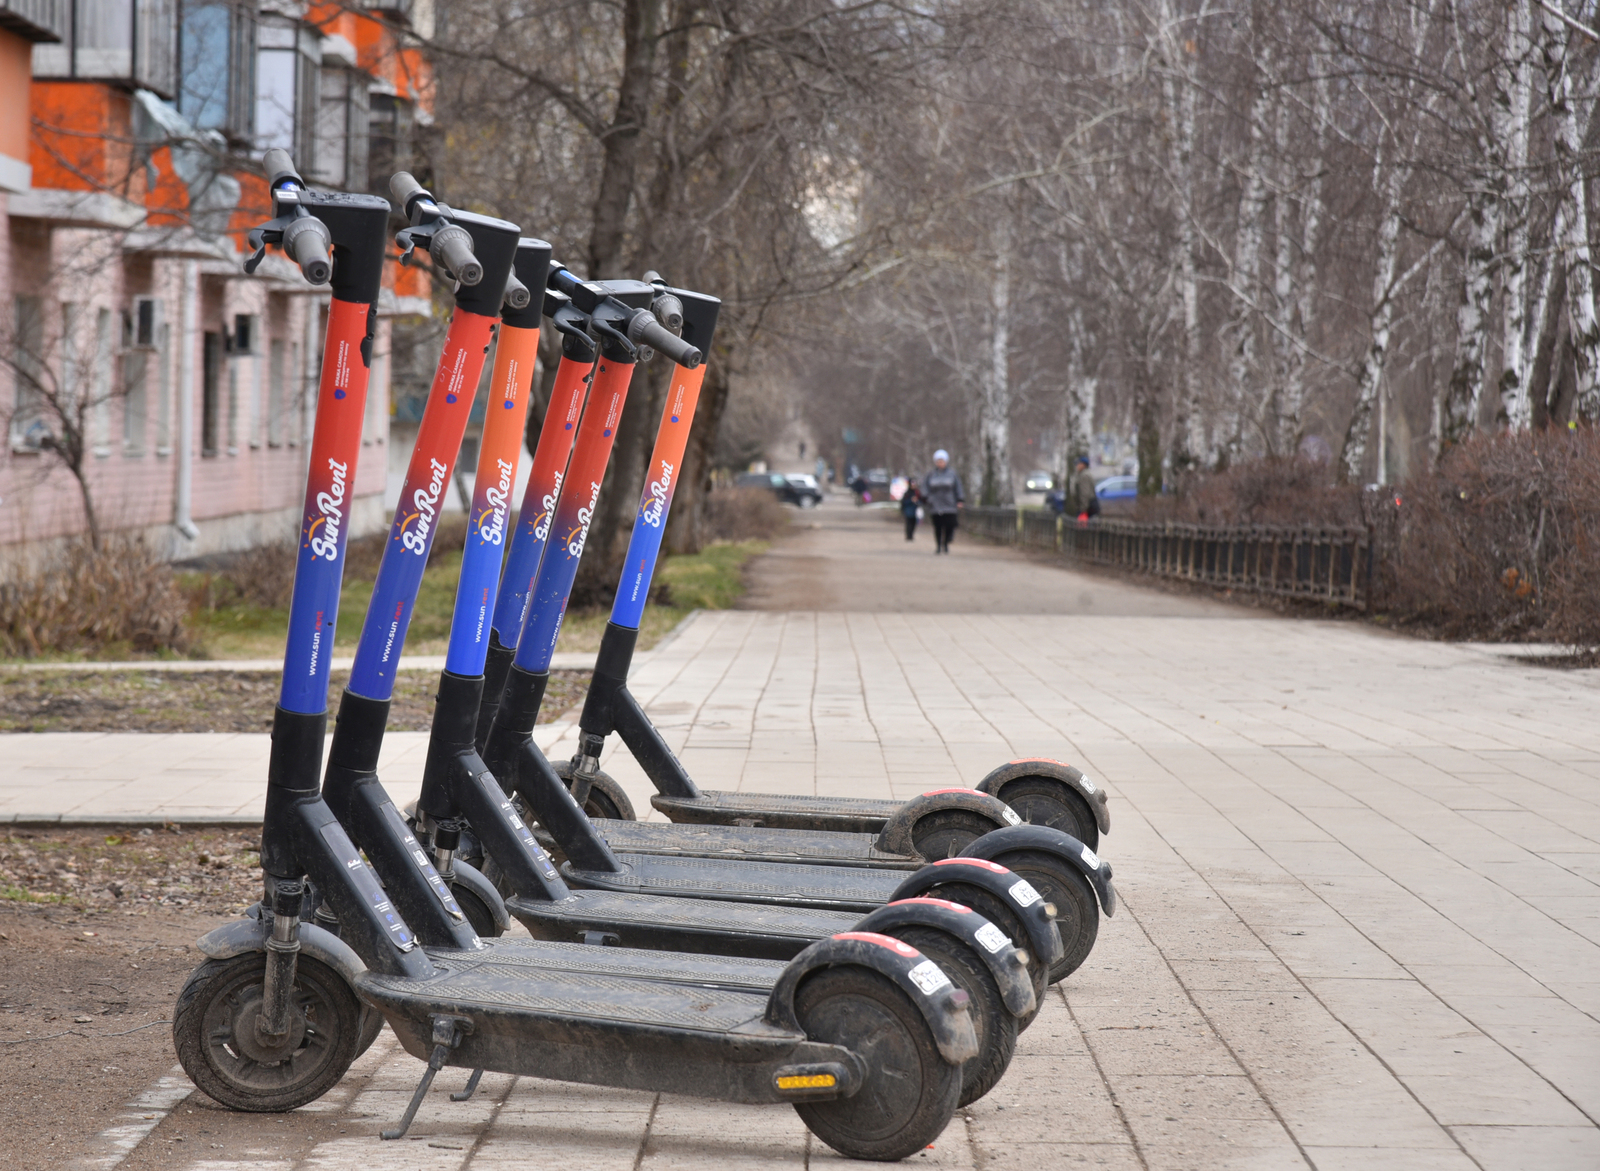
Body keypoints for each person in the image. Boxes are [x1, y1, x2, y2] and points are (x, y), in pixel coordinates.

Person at [922, 449, 964, 553]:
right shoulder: (931, 474)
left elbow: (958, 487)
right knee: (938, 526)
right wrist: (927, 498)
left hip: (950, 504)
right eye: (938, 461)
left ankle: (946, 542)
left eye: (942, 461)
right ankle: (938, 546)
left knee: (950, 524)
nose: (940, 463)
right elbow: (925, 487)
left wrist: (960, 499)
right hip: (935, 504)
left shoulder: (952, 474)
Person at [1070, 455, 1101, 521]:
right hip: (1088, 507)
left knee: (1086, 528)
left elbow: (1085, 493)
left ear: (1083, 465)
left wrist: (1083, 510)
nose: (1077, 466)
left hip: (1088, 508)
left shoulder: (1084, 475)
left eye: (1078, 463)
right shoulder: (1082, 474)